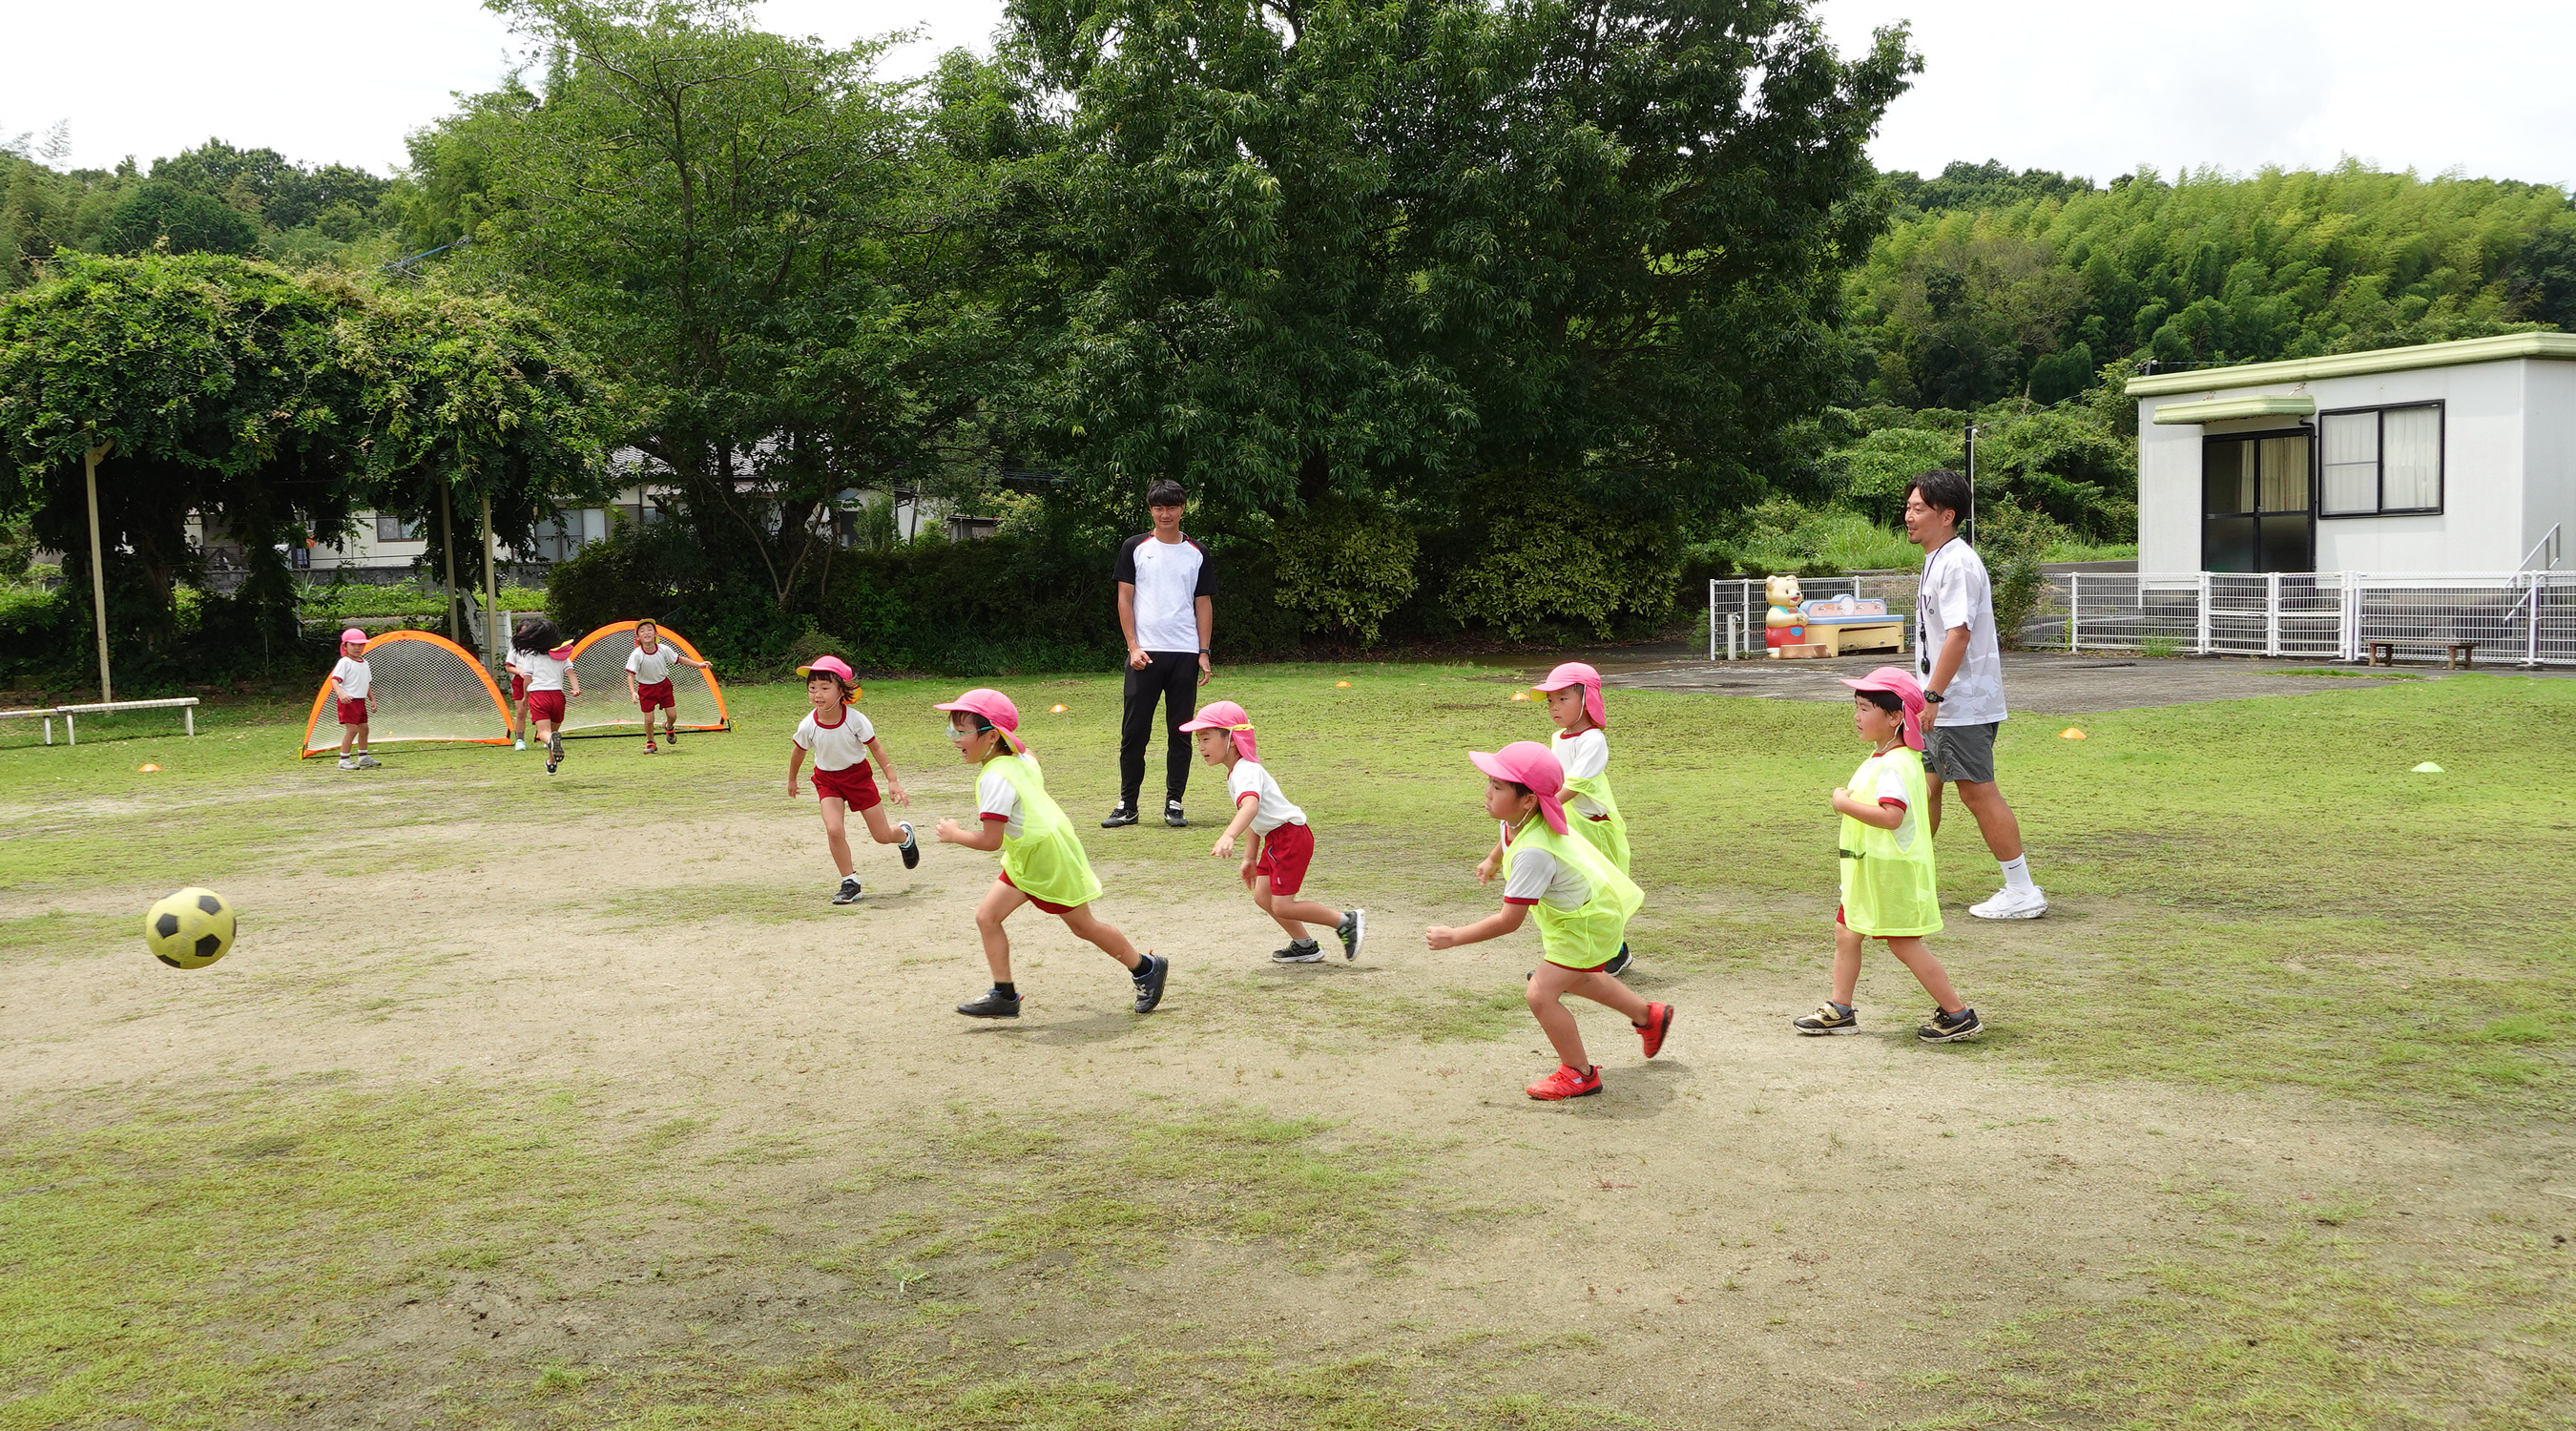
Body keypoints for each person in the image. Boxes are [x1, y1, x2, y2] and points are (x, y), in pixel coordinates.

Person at [1426, 742, 1672, 1101]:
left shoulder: (1534, 853)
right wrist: (1493, 859)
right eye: (1490, 782)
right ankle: (1648, 1015)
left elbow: (1509, 921)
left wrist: (1454, 937)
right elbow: (1507, 839)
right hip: (1578, 916)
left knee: (1541, 994)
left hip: (1584, 923)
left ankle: (1578, 1075)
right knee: (1583, 978)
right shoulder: (1521, 819)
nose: (1488, 791)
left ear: (1528, 799)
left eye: (1498, 786)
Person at [933, 687, 1171, 1018]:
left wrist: (955, 834)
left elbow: (991, 840)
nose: (954, 738)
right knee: (987, 916)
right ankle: (1004, 995)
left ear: (991, 738)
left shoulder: (995, 780)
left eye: (962, 732)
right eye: (952, 730)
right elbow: (1029, 752)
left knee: (1083, 926)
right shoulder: (1018, 759)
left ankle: (1146, 968)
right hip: (1029, 855)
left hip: (1048, 857)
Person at [1794, 667, 1983, 1042]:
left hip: (1890, 870)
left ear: (1896, 717)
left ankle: (1957, 1013)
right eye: (1857, 707)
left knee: (1903, 942)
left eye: (1865, 708)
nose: (1857, 717)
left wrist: (1842, 804)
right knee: (1846, 932)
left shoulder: (1893, 765)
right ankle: (1840, 1009)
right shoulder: (1889, 759)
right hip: (1868, 868)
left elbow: (1891, 818)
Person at [1905, 467, 2046, 920]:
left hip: (1959, 702)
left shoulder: (1958, 563)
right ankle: (1909, 880)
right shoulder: (1938, 557)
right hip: (1943, 700)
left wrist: (1933, 696)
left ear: (1947, 515)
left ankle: (2022, 888)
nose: (1909, 516)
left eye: (1919, 509)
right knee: (1926, 787)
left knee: (1977, 792)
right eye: (1908, 507)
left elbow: (1958, 635)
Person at [1177, 700, 1364, 964]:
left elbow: (1251, 807)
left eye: (1206, 738)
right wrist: (1249, 858)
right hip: (1278, 838)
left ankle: (1345, 921)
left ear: (1231, 739)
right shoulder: (1237, 772)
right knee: (1263, 896)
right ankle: (1305, 945)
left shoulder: (1246, 771)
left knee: (1282, 905)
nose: (1201, 747)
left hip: (1290, 837)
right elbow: (1254, 815)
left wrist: (1228, 835)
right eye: (1199, 740)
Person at [1506, 661, 1632, 976]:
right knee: (1569, 892)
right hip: (1567, 825)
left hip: (1595, 828)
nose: (1554, 707)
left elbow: (1572, 786)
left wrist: (1536, 810)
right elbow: (1552, 781)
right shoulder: (1557, 737)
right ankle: (1566, 962)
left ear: (1587, 699)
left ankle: (1614, 952)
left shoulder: (1593, 741)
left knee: (1600, 892)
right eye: (1550, 701)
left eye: (1563, 699)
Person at [1104, 479, 1215, 830]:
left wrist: (1203, 651)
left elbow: (1203, 603)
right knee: (1134, 733)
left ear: (1183, 508)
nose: (1165, 514)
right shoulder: (1135, 547)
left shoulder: (1197, 551)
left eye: (1171, 507)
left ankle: (1174, 802)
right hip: (1145, 655)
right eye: (1158, 508)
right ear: (1150, 509)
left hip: (1183, 653)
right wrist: (1133, 647)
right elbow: (1124, 598)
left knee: (1181, 732)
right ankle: (1128, 804)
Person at [784, 655, 918, 905]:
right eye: (812, 688)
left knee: (881, 835)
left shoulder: (855, 720)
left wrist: (892, 780)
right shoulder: (807, 725)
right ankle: (850, 882)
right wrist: (792, 780)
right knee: (834, 830)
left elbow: (876, 749)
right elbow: (799, 751)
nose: (817, 694)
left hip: (858, 777)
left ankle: (904, 835)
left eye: (825, 688)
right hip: (827, 780)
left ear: (841, 690)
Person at [627, 619, 713, 755]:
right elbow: (630, 675)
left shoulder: (663, 649)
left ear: (656, 633)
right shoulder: (636, 654)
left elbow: (679, 659)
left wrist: (698, 665)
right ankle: (651, 742)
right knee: (649, 719)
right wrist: (632, 692)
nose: (647, 632)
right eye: (642, 631)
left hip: (664, 685)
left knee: (672, 715)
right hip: (646, 689)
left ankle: (669, 726)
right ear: (638, 637)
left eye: (650, 629)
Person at [508, 617, 580, 775]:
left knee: (544, 734)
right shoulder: (561, 656)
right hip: (558, 697)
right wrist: (576, 689)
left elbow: (527, 680)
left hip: (539, 696)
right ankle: (551, 762)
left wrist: (526, 697)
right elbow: (571, 673)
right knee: (553, 733)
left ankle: (552, 747)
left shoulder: (531, 657)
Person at [327, 628, 378, 770]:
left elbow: (366, 684)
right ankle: (344, 759)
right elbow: (334, 681)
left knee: (364, 728)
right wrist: (341, 694)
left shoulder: (365, 663)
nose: (357, 648)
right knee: (352, 729)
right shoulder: (345, 662)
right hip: (349, 702)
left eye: (360, 645)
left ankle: (363, 757)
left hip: (360, 701)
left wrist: (372, 699)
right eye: (353, 645)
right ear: (345, 646)